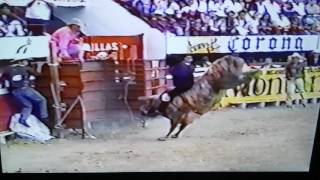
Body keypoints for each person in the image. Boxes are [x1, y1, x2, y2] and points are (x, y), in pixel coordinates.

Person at [0, 58, 49, 128]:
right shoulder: (26, 68)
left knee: (28, 105)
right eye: (26, 61)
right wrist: (39, 65)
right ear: (21, 62)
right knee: (42, 100)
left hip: (14, 91)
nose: (27, 62)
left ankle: (23, 119)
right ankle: (44, 117)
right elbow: (38, 74)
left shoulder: (7, 68)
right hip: (24, 89)